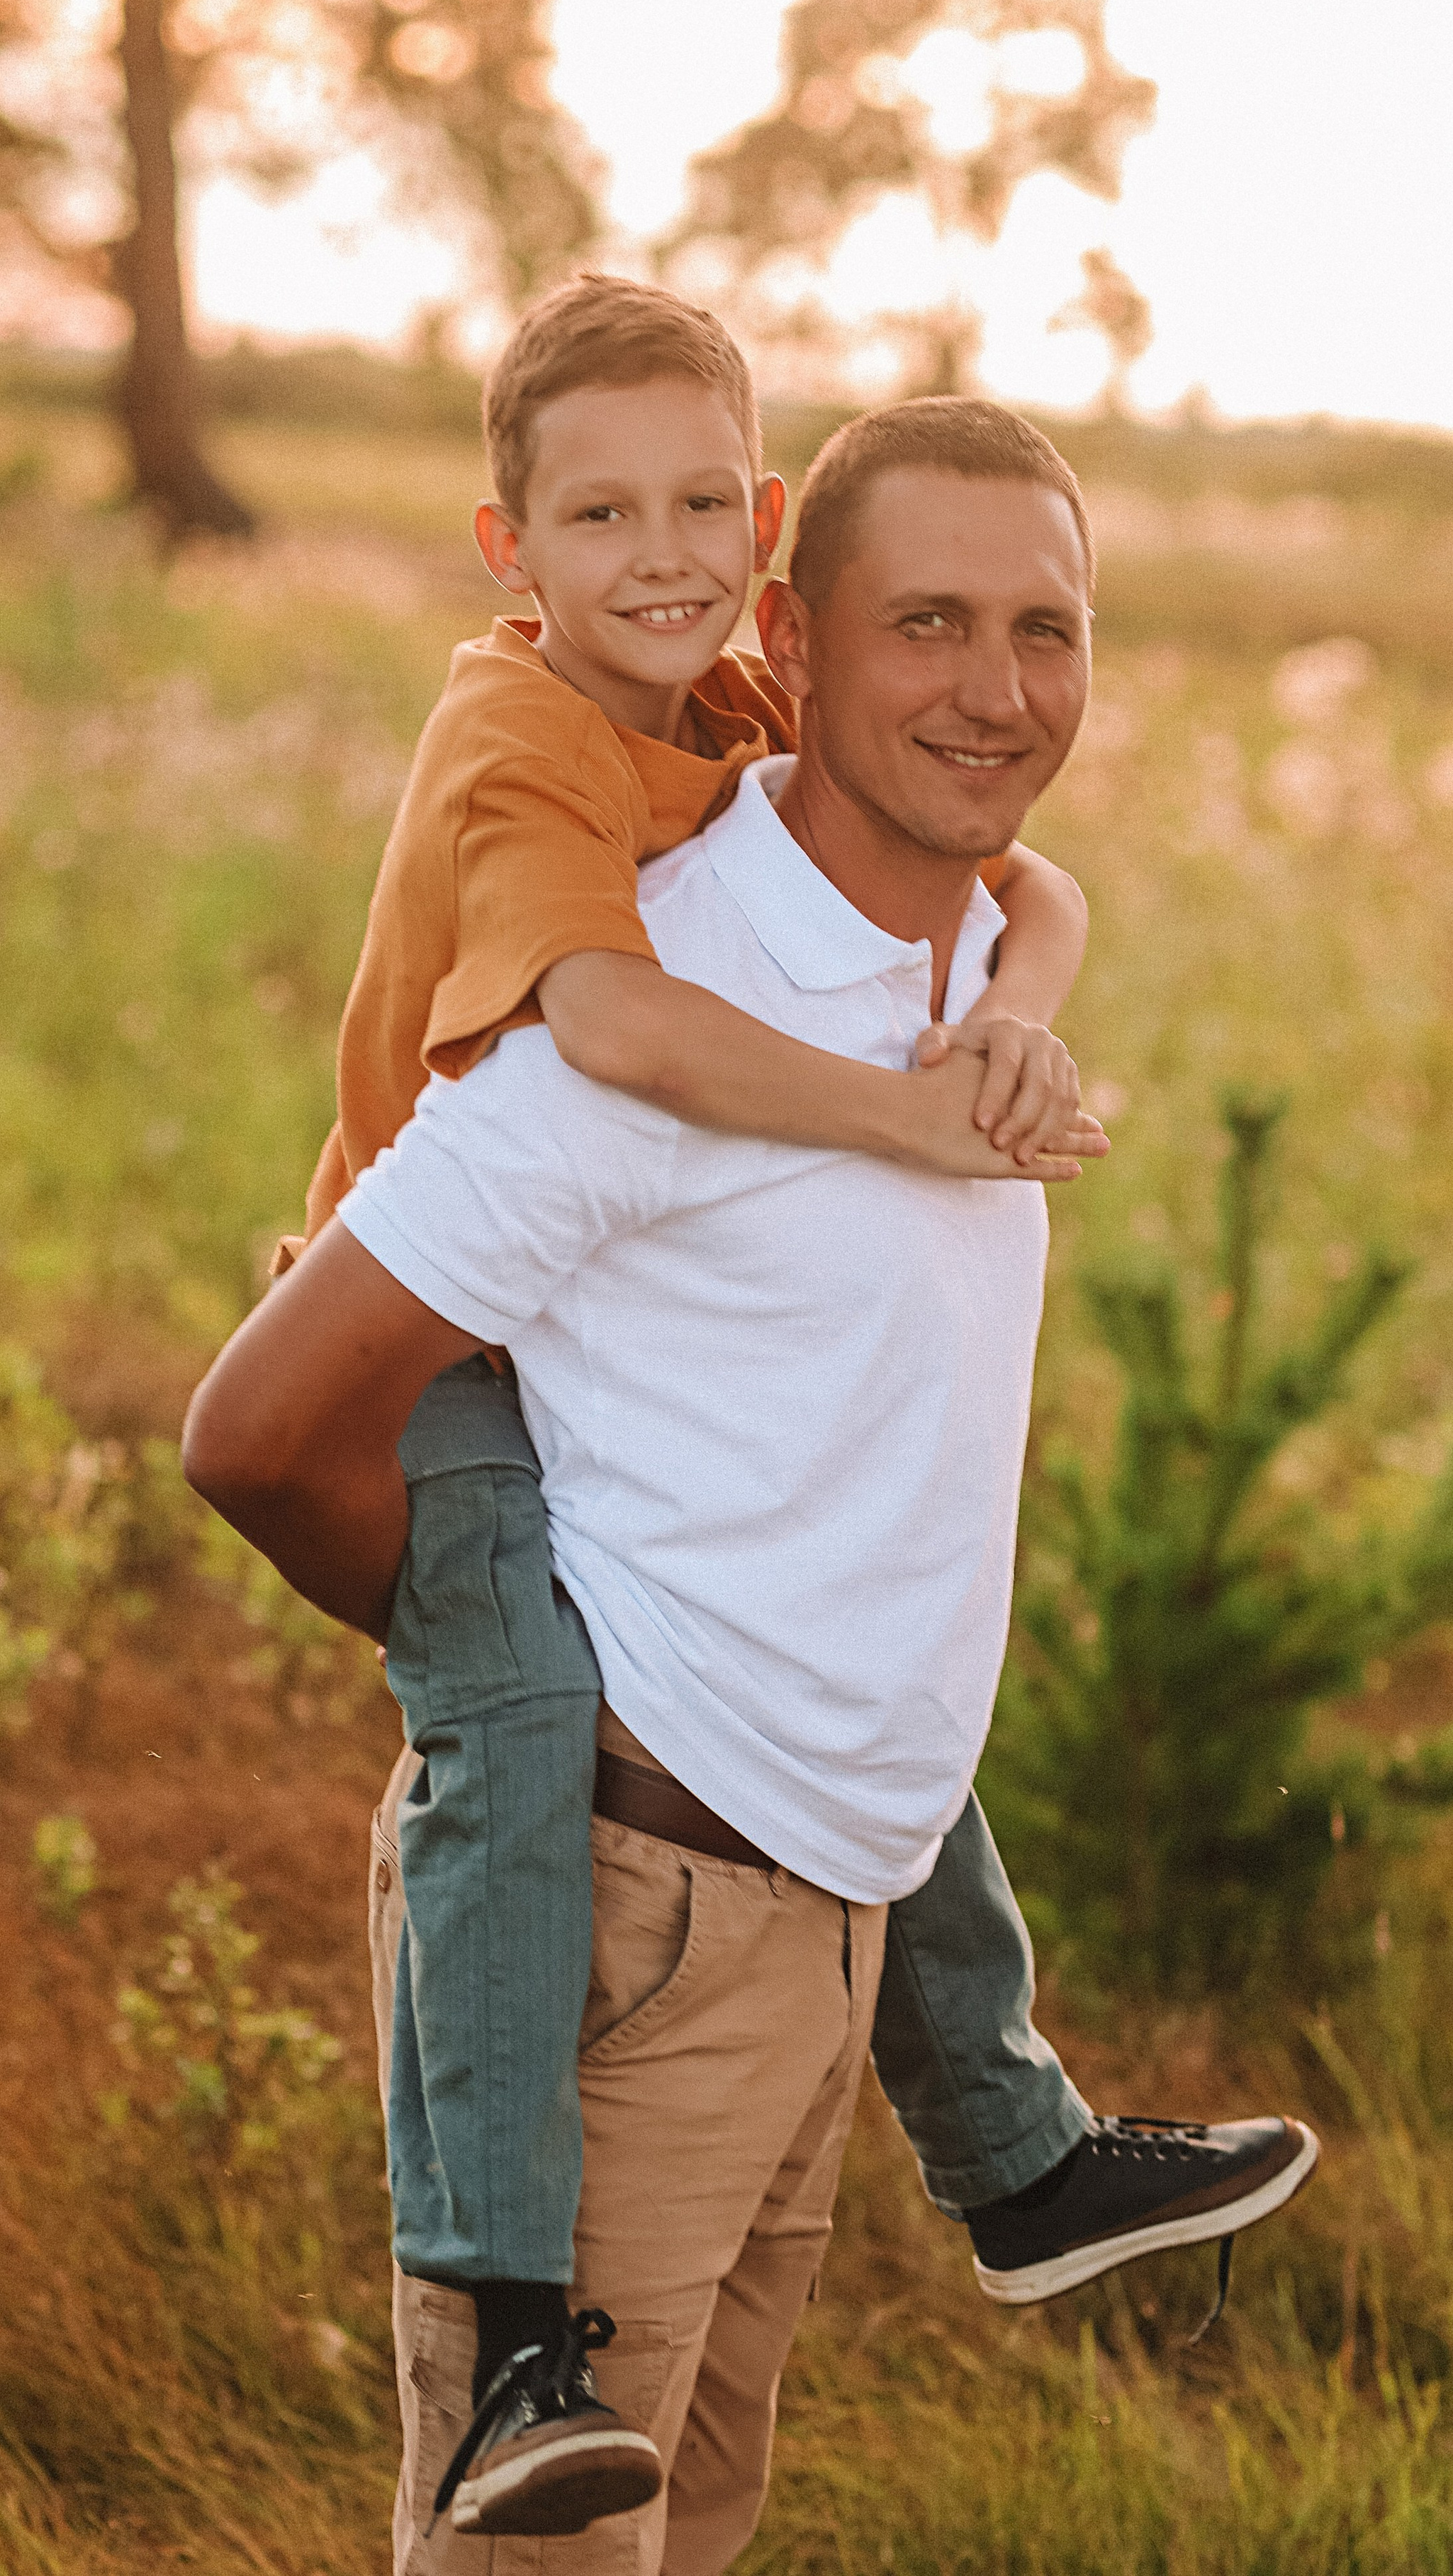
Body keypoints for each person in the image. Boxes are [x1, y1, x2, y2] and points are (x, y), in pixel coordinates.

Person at [194, 372, 1318, 2559]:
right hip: (642, 1917)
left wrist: (1008, 997)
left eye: (1047, 629)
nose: (997, 691)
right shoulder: (643, 1009)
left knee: (691, 2531)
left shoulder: (967, 947)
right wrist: (541, 1688)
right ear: (792, 648)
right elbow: (255, 1431)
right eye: (929, 626)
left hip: (836, 1915)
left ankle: (1015, 2150)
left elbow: (1023, 889)